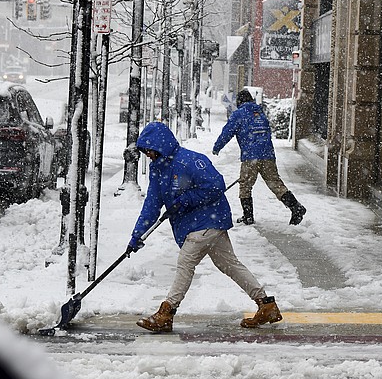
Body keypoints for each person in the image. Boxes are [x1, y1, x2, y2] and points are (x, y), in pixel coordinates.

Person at [128, 121, 283, 333]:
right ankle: (266, 304)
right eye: (145, 151)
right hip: (200, 225)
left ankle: (167, 312)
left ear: (159, 146)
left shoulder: (189, 161)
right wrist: (138, 235)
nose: (148, 155)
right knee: (229, 264)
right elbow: (152, 204)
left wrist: (186, 200)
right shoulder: (158, 169)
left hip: (207, 221)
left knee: (185, 262)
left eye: (150, 150)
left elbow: (216, 185)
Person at [212, 89, 306, 226]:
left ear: (239, 102)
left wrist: (217, 147)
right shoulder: (260, 112)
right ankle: (295, 207)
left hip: (251, 156)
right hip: (268, 154)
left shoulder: (239, 114)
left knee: (245, 185)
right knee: (275, 183)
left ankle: (248, 216)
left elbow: (227, 132)